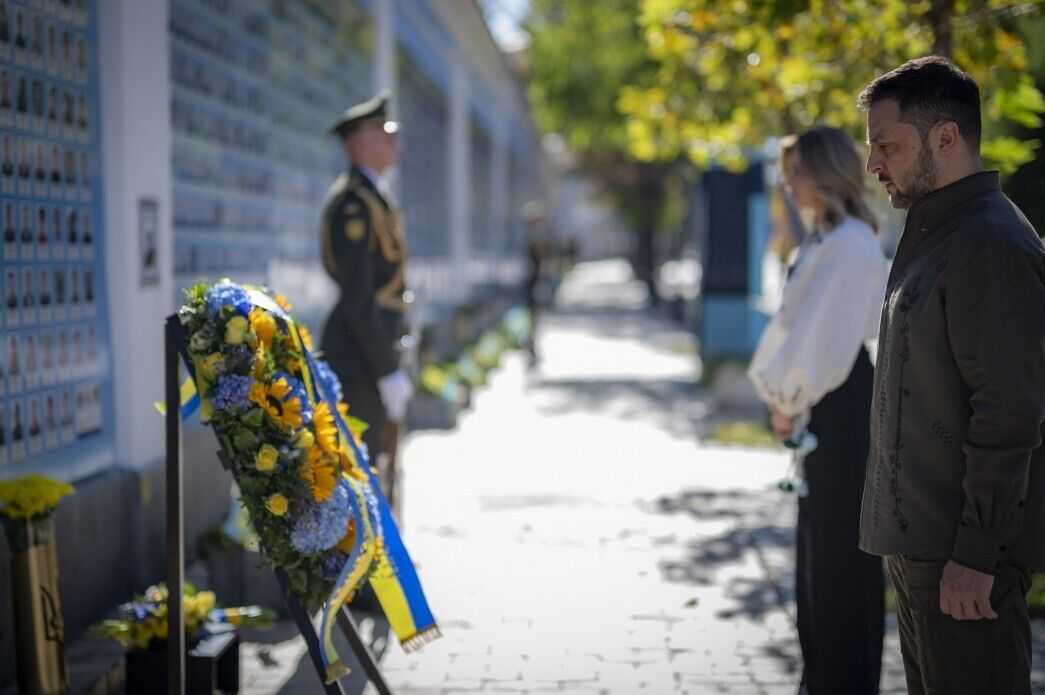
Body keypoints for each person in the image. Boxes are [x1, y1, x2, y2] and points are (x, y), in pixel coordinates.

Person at [857, 56, 1045, 694]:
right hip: (927, 554)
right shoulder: (942, 231)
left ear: (945, 138)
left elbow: (1010, 411)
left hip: (962, 564)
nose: (874, 163)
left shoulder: (988, 243)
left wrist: (976, 553)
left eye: (887, 145)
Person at [747, 126, 887, 694]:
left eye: (799, 171)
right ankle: (825, 679)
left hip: (841, 408)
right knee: (818, 564)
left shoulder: (849, 242)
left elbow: (820, 342)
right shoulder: (829, 238)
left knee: (839, 568)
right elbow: (794, 331)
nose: (789, 183)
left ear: (827, 174)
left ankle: (841, 683)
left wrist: (787, 401)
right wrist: (788, 400)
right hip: (827, 409)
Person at [319, 90, 413, 504]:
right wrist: (386, 369)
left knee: (379, 467)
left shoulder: (374, 197)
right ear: (361, 141)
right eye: (386, 133)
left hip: (374, 349)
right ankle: (367, 567)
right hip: (359, 358)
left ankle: (379, 564)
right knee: (362, 475)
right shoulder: (354, 205)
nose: (396, 142)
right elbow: (358, 299)